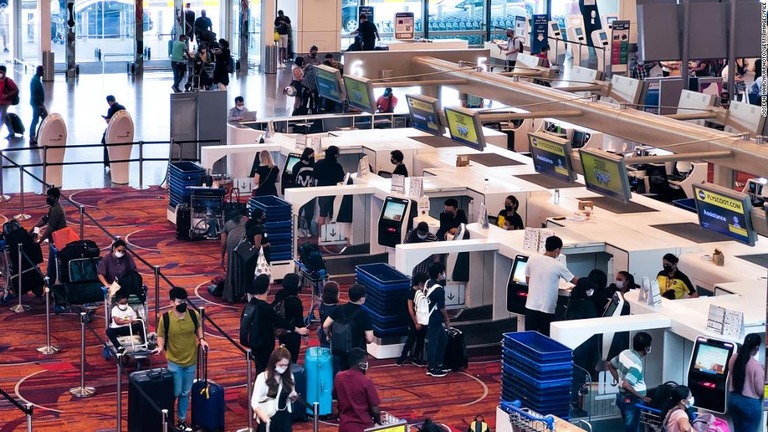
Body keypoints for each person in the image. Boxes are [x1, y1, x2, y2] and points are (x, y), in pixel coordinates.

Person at [152, 287, 209, 432]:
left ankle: (181, 420)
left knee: (185, 392)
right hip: (174, 362)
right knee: (175, 392)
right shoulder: (165, 319)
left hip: (191, 361)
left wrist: (201, 339)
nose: (183, 304)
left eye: (184, 301)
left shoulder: (193, 315)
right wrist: (160, 347)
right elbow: (161, 335)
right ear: (172, 302)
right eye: (179, 301)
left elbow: (198, 328)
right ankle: (168, 418)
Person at [244, 274, 310, 373]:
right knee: (267, 368)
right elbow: (279, 321)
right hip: (265, 342)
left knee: (262, 367)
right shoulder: (266, 308)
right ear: (268, 287)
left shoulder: (251, 304)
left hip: (254, 340)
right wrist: (298, 330)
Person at [524, 236, 578, 336]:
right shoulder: (558, 265)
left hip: (531, 306)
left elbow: (528, 280)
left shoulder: (532, 259)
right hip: (547, 308)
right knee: (545, 338)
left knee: (529, 337)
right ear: (557, 250)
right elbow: (575, 281)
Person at [606, 331, 653, 432]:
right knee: (632, 428)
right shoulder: (636, 364)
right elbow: (627, 385)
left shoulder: (625, 353)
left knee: (629, 425)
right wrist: (642, 398)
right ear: (647, 349)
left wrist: (619, 381)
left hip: (622, 397)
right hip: (632, 400)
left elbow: (610, 365)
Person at [322, 283, 374, 372]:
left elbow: (325, 325)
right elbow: (370, 338)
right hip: (357, 352)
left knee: (341, 374)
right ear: (361, 298)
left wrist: (329, 336)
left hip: (339, 349)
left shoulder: (339, 309)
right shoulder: (364, 314)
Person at [250, 345, 299, 432]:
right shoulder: (262, 377)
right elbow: (254, 401)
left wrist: (293, 397)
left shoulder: (290, 376)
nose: (284, 368)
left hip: (284, 418)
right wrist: (263, 416)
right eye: (281, 365)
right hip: (268, 416)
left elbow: (291, 396)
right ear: (274, 363)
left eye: (286, 365)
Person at [333, 347, 382, 432]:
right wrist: (378, 422)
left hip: (344, 425)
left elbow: (335, 396)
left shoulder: (339, 377)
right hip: (363, 427)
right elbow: (375, 409)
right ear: (360, 364)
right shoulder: (366, 381)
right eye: (366, 361)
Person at [727, 332, 764, 432]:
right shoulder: (757, 366)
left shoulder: (734, 358)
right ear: (756, 348)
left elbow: (732, 373)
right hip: (750, 405)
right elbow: (760, 390)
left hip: (733, 399)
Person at [31, 187, 67, 282]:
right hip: (55, 239)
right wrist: (33, 229)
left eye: (50, 196)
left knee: (52, 263)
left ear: (56, 198)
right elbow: (45, 219)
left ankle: (50, 285)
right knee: (52, 263)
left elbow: (50, 229)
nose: (48, 198)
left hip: (58, 241)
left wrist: (40, 241)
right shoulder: (54, 207)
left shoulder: (56, 210)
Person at [395, 271, 428, 367]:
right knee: (411, 339)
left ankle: (415, 357)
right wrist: (416, 322)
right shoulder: (411, 293)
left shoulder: (421, 292)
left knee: (420, 339)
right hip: (414, 320)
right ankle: (402, 357)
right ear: (421, 283)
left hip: (421, 319)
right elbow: (410, 309)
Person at [424, 262, 450, 378]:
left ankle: (439, 363)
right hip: (434, 319)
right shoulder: (439, 290)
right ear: (439, 274)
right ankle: (432, 368)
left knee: (443, 339)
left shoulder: (427, 283)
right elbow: (441, 307)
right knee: (433, 343)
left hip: (428, 317)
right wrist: (447, 319)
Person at [272, 273, 305, 363]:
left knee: (283, 353)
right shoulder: (295, 301)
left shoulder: (279, 295)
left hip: (282, 331)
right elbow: (299, 320)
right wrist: (305, 334)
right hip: (293, 333)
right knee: (292, 358)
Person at [312, 145, 345, 237]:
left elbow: (314, 176)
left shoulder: (319, 163)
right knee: (333, 215)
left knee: (322, 214)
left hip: (321, 190)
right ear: (335, 155)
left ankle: (320, 236)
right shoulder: (337, 166)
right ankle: (331, 236)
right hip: (333, 191)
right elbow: (341, 178)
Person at [221, 208, 248, 301]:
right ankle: (245, 294)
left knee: (232, 268)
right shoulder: (245, 220)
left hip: (232, 244)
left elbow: (223, 243)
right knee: (245, 268)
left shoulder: (227, 224)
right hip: (245, 242)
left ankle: (231, 295)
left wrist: (222, 258)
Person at [291, 147, 316, 237]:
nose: (313, 157)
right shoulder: (297, 166)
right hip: (299, 191)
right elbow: (294, 179)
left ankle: (306, 228)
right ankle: (297, 229)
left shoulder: (313, 165)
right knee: (298, 211)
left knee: (310, 212)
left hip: (310, 192)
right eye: (312, 155)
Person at [101, 95, 125, 171]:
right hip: (121, 130)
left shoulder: (111, 110)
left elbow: (109, 121)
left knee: (106, 144)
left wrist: (106, 119)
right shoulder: (122, 108)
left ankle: (107, 163)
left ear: (109, 102)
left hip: (112, 131)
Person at [317, 280, 340, 348]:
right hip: (332, 339)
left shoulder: (322, 305)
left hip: (323, 337)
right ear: (336, 294)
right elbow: (326, 326)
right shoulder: (338, 309)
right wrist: (329, 335)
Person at [0, 65, 18, 140]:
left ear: (4, 72)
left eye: (1, 72)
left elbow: (16, 90)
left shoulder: (8, 81)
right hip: (0, 101)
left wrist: (7, 95)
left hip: (6, 102)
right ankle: (11, 133)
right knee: (6, 117)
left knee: (2, 117)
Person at [29, 65, 45, 145]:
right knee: (41, 119)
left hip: (37, 104)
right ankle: (33, 136)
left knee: (38, 119)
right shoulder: (35, 81)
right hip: (37, 104)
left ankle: (35, 136)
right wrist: (41, 105)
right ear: (38, 71)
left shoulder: (36, 79)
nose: (43, 72)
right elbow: (36, 95)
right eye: (42, 71)